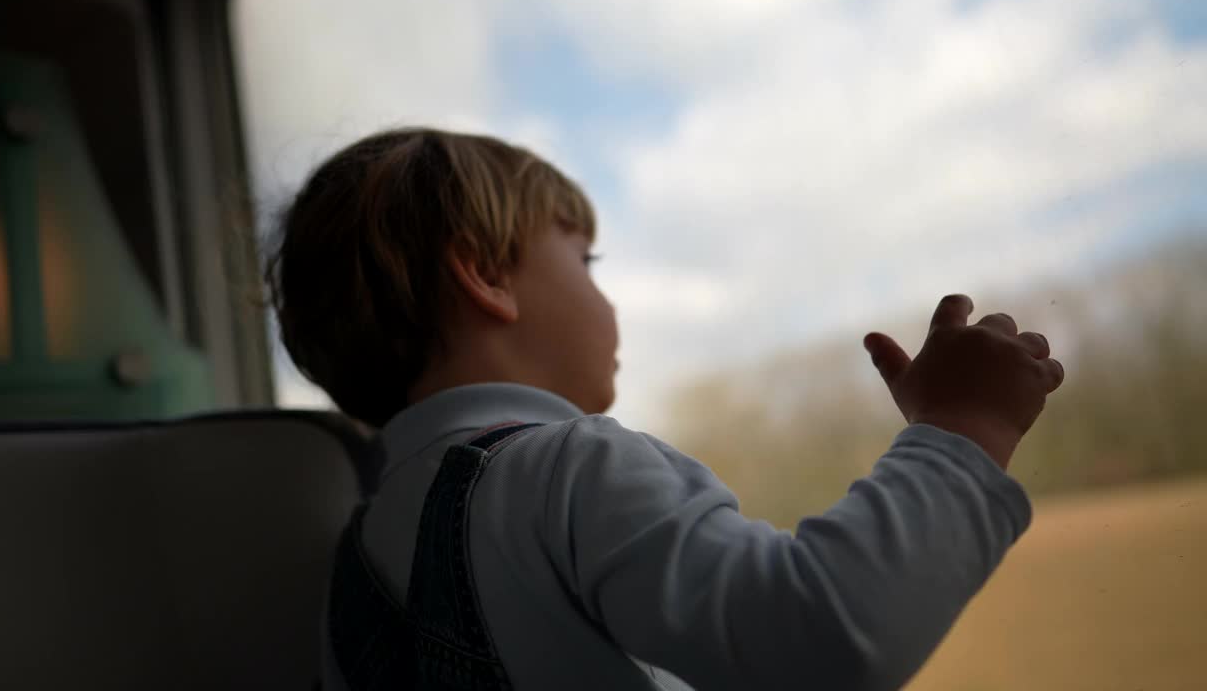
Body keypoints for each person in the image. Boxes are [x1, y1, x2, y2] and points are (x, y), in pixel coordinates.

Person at [264, 127, 1065, 691]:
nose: (600, 287)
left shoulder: (353, 559)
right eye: (584, 258)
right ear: (486, 276)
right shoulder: (568, 469)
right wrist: (964, 429)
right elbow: (819, 637)